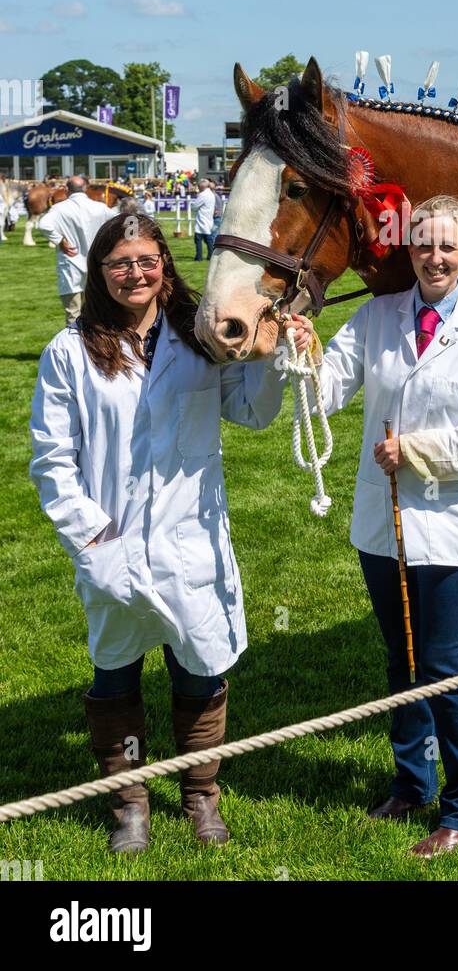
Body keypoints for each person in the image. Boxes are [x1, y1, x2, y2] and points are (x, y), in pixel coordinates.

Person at [29, 212, 290, 854]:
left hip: (191, 540)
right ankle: (130, 807)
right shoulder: (70, 351)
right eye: (119, 264)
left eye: (146, 260)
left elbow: (252, 410)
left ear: (164, 266)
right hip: (111, 540)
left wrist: (274, 350)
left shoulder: (197, 337)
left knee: (199, 674)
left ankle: (201, 799)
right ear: (99, 273)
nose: (134, 274)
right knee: (115, 677)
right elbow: (52, 459)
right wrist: (91, 538)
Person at [290, 194, 458, 859]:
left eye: (448, 246)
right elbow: (326, 391)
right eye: (424, 245)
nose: (435, 257)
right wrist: (306, 351)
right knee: (401, 662)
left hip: (453, 527)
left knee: (445, 667)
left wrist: (423, 452)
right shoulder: (375, 319)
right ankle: (410, 781)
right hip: (383, 525)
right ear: (410, 249)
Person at [36, 176, 114, 327]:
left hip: (70, 265)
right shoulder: (100, 207)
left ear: (66, 190)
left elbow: (43, 225)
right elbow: (120, 221)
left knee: (73, 314)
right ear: (86, 188)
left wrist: (59, 240)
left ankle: (76, 348)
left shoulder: (59, 208)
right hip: (96, 265)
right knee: (97, 312)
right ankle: (98, 347)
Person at [190, 179, 216, 261]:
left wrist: (192, 204)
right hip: (209, 219)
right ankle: (210, 255)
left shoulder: (203, 195)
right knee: (208, 239)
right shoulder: (211, 194)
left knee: (198, 240)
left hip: (202, 220)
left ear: (201, 187)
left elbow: (194, 207)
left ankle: (199, 257)